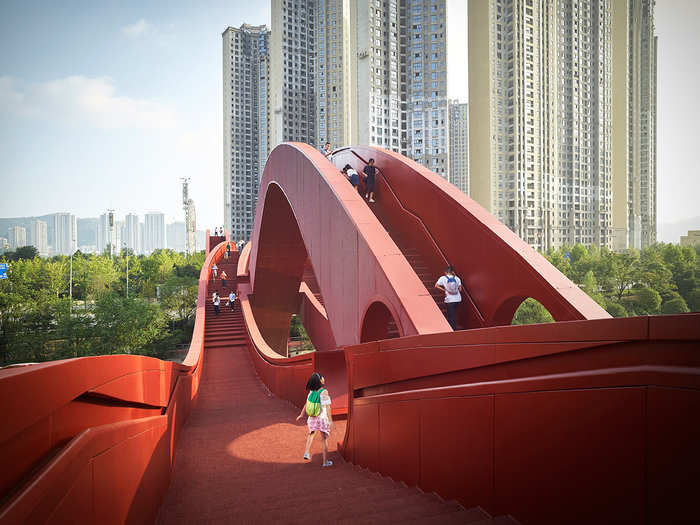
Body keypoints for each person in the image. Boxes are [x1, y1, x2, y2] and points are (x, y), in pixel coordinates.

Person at [296, 372, 334, 467]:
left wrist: (301, 414)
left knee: (311, 434)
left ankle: (306, 452)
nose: (324, 378)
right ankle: (325, 462)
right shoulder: (324, 392)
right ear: (320, 381)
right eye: (322, 377)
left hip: (312, 418)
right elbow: (328, 407)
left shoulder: (311, 392)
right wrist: (330, 420)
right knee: (324, 440)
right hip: (321, 418)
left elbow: (306, 404)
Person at [435, 265, 463, 330]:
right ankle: (454, 326)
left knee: (451, 316)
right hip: (458, 299)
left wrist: (445, 290)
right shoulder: (457, 278)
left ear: (445, 272)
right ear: (452, 272)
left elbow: (436, 285)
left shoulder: (443, 278)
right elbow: (460, 289)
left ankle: (453, 329)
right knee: (454, 314)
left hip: (449, 300)